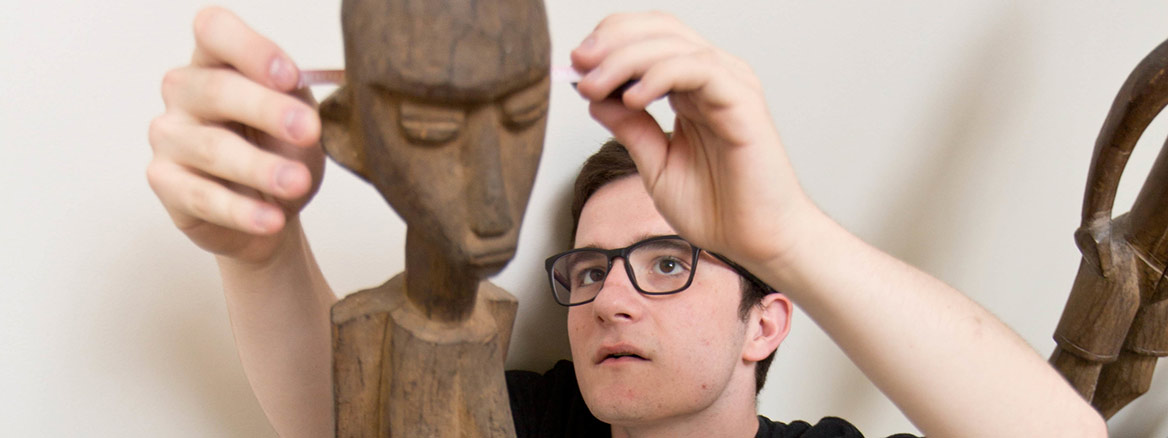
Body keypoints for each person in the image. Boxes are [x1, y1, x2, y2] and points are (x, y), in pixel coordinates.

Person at [147, 7, 1108, 438]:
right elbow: (335, 417)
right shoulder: (535, 420)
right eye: (591, 269)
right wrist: (257, 246)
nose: (609, 297)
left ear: (763, 324)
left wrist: (784, 236)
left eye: (662, 262)